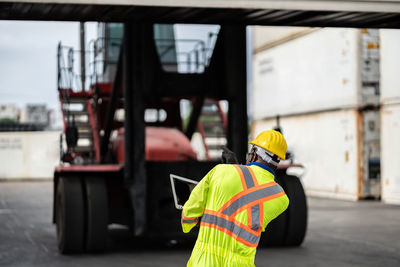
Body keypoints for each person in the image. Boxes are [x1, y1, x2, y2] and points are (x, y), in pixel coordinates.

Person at [181, 130, 289, 267]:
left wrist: (233, 169)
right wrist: (237, 168)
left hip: (204, 261)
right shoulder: (280, 198)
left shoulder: (220, 171)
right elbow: (245, 212)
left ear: (254, 152)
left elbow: (189, 215)